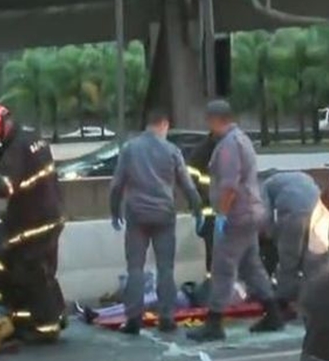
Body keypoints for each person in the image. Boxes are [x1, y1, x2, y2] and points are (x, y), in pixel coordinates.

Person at [187, 99, 284, 343]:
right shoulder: (242, 139)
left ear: (214, 120)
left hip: (236, 215)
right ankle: (273, 313)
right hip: (250, 213)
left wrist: (221, 215)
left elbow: (229, 186)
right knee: (251, 266)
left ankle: (214, 323)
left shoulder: (229, 145)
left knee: (222, 268)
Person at [0, 103, 66, 340]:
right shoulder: (32, 139)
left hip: (34, 220)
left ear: (4, 124)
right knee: (44, 272)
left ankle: (45, 329)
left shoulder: (16, 148)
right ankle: (54, 318)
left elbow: (5, 186)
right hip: (52, 215)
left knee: (31, 273)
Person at [109, 109, 204, 335]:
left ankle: (133, 319)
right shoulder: (172, 150)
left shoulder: (130, 149)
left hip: (137, 216)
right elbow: (188, 185)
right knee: (166, 269)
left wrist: (115, 212)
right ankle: (167, 317)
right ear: (164, 124)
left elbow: (116, 185)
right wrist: (197, 209)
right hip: (164, 215)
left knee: (135, 269)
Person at [260, 170, 320, 317]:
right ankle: (313, 303)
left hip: (293, 214)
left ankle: (283, 304)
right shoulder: (304, 176)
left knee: (288, 261)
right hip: (319, 213)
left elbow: (264, 215)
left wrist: (271, 235)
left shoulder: (265, 185)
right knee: (311, 261)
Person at [186, 132, 219, 274]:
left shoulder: (225, 149)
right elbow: (191, 182)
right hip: (209, 211)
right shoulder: (203, 152)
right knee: (213, 251)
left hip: (220, 209)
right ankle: (213, 285)